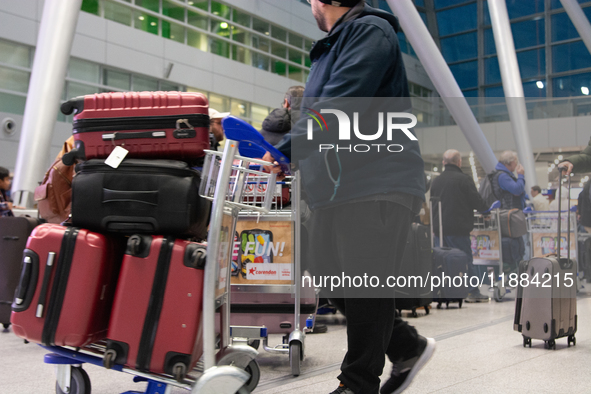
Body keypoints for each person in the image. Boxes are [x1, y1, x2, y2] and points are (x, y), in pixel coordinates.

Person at [265, 1, 435, 393]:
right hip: (339, 188)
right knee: (328, 275)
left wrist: (285, 150)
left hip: (377, 181)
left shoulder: (370, 31)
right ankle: (408, 347)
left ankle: (357, 383)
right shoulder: (331, 46)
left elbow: (341, 105)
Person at [430, 149, 490, 303]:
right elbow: (476, 200)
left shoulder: (436, 181)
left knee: (440, 261)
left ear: (444, 163)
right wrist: (485, 211)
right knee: (464, 260)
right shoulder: (463, 179)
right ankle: (472, 291)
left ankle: (443, 291)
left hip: (439, 229)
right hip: (458, 229)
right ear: (459, 162)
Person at [490, 151, 526, 272]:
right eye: (515, 162)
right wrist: (521, 175)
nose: (516, 165)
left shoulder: (502, 174)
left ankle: (513, 274)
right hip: (508, 218)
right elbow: (516, 189)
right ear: (510, 162)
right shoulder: (503, 176)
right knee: (513, 248)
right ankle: (512, 275)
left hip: (507, 216)